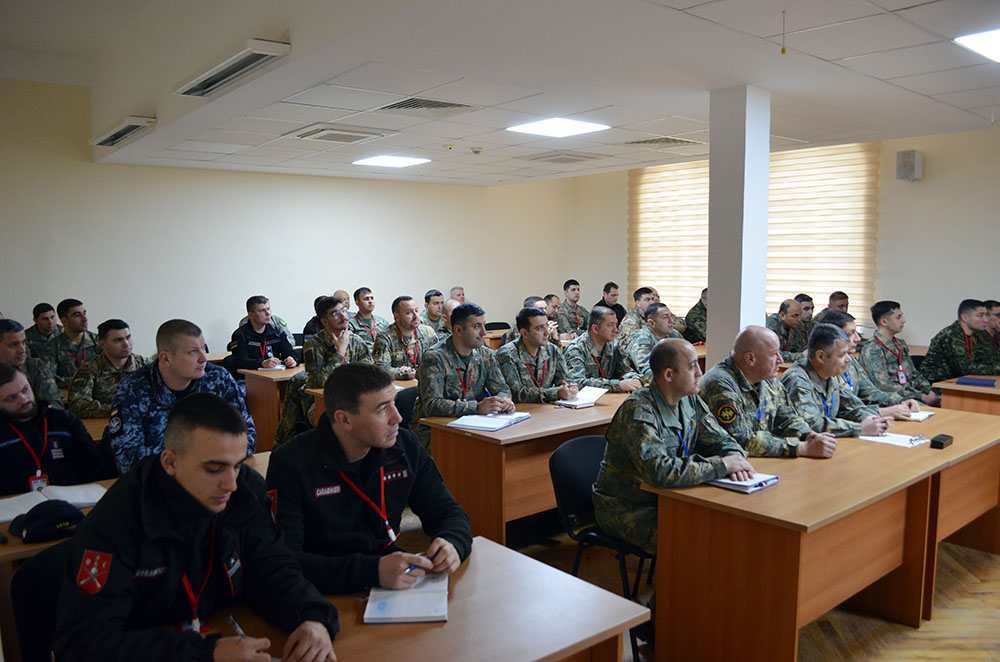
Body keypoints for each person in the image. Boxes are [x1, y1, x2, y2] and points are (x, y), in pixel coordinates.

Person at [53, 393, 339, 662]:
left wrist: (311, 616)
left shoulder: (246, 490)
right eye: (214, 469)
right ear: (170, 462)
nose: (231, 484)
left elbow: (274, 568)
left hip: (223, 632)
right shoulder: (115, 520)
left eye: (237, 465)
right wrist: (203, 654)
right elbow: (82, 644)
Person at [266, 364, 472, 594]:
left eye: (394, 403)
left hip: (391, 580)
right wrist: (371, 571)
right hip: (322, 589)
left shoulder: (405, 446)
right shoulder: (291, 463)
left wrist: (453, 543)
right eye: (383, 409)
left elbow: (449, 513)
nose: (398, 417)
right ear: (344, 420)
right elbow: (285, 561)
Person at [592, 338, 755, 553]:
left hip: (669, 498)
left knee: (726, 524)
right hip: (628, 508)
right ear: (669, 375)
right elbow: (660, 473)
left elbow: (723, 441)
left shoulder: (690, 400)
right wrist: (722, 465)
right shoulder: (639, 411)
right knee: (700, 536)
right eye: (691, 366)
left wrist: (736, 461)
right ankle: (677, 586)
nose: (700, 373)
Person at [109, 320, 256, 475]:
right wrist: (204, 452)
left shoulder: (218, 379)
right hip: (159, 486)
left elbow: (247, 438)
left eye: (203, 349)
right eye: (192, 351)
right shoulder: (131, 391)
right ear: (165, 359)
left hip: (216, 474)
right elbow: (129, 462)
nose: (203, 359)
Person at [699, 326, 838, 458]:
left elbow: (787, 418)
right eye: (774, 354)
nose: (781, 360)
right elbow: (740, 440)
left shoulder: (768, 378)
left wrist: (809, 436)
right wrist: (802, 448)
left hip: (760, 462)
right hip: (731, 468)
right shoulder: (720, 383)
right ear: (750, 359)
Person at [411, 303, 514, 448]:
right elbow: (432, 404)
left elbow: (502, 388)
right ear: (458, 330)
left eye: (483, 325)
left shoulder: (486, 354)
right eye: (477, 327)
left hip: (472, 426)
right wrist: (476, 408)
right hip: (433, 431)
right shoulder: (434, 358)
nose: (484, 332)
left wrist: (503, 401)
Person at [0, 362, 106, 497]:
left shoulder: (64, 421)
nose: (24, 399)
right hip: (17, 507)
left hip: (72, 500)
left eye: (25, 389)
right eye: (12, 398)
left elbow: (94, 467)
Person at [780, 324, 891, 436]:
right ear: (821, 357)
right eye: (842, 354)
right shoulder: (797, 379)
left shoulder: (832, 375)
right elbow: (811, 424)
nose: (848, 359)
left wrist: (873, 420)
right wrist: (859, 428)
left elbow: (852, 407)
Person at [822, 310, 922, 419]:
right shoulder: (827, 366)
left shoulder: (851, 361)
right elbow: (845, 408)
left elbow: (870, 392)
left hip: (858, 419)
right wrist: (884, 411)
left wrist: (901, 401)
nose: (858, 339)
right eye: (851, 334)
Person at [859, 300, 940, 406]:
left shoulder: (899, 344)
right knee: (928, 410)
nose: (904, 320)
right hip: (889, 399)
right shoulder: (872, 349)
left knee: (945, 402)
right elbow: (884, 386)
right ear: (884, 322)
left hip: (909, 394)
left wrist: (928, 391)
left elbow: (914, 374)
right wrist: (920, 396)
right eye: (898, 317)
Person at [68, 319, 148, 418]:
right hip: (106, 424)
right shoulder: (89, 370)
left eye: (128, 337)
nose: (126, 344)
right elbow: (78, 405)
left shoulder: (146, 365)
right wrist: (118, 410)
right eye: (118, 340)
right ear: (102, 344)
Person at [496, 307, 577, 403]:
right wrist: (555, 393)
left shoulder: (552, 350)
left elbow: (564, 380)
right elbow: (516, 393)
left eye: (547, 326)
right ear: (525, 333)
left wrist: (569, 388)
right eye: (539, 328)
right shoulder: (507, 354)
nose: (547, 332)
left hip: (548, 409)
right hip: (522, 411)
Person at [920, 299, 1000, 383]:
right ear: (965, 317)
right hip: (936, 385)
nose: (985, 320)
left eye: (986, 316)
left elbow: (988, 360)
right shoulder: (952, 335)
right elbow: (966, 369)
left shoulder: (976, 335)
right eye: (980, 316)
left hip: (957, 381)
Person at [565, 307, 642, 393]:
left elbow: (626, 370)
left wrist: (635, 380)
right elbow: (576, 383)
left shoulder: (614, 346)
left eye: (615, 325)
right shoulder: (576, 349)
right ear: (595, 329)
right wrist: (617, 385)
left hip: (608, 400)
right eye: (610, 325)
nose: (615, 330)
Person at [303, 296, 372, 391]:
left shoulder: (356, 340)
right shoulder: (314, 344)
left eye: (344, 311)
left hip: (354, 393)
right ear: (324, 321)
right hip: (322, 398)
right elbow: (318, 382)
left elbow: (369, 372)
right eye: (335, 314)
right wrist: (339, 353)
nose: (343, 316)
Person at [0, 318, 64, 409]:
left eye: (24, 343)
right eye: (14, 345)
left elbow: (55, 403)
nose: (22, 350)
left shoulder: (35, 366)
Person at [39, 298, 102, 388]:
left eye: (84, 313)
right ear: (64, 321)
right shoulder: (53, 347)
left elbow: (113, 370)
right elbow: (48, 379)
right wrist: (82, 381)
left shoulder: (99, 341)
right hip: (70, 397)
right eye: (77, 315)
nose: (85, 319)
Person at [373, 296, 439, 380]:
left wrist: (419, 372)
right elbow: (380, 369)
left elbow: (438, 361)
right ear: (397, 317)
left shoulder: (428, 332)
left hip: (426, 382)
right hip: (400, 387)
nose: (415, 316)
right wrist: (403, 373)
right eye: (409, 313)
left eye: (416, 310)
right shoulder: (384, 338)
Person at [228, 295, 297, 372]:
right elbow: (240, 361)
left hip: (275, 375)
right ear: (251, 315)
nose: (268, 313)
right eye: (262, 310)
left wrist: (291, 359)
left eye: (268, 309)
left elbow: (290, 353)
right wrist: (262, 363)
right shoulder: (240, 335)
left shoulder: (277, 332)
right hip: (250, 378)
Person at [621, 303, 683, 383]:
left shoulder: (674, 334)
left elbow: (686, 357)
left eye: (670, 316)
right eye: (665, 317)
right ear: (651, 323)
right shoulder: (642, 339)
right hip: (647, 384)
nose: (671, 321)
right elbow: (646, 370)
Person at [348, 287, 389, 351]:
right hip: (362, 359)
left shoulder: (382, 322)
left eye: (372, 298)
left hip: (383, 358)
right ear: (357, 303)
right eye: (366, 299)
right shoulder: (351, 324)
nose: (370, 301)